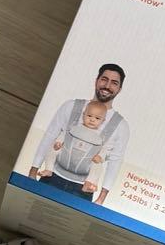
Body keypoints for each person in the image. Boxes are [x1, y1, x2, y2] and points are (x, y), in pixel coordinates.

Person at [29, 64, 129, 203]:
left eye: (114, 83)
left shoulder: (120, 125)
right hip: (51, 176)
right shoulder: (71, 106)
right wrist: (33, 172)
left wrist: (101, 198)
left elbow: (115, 161)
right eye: (104, 79)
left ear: (119, 89)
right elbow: (50, 136)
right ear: (96, 81)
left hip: (83, 189)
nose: (107, 86)